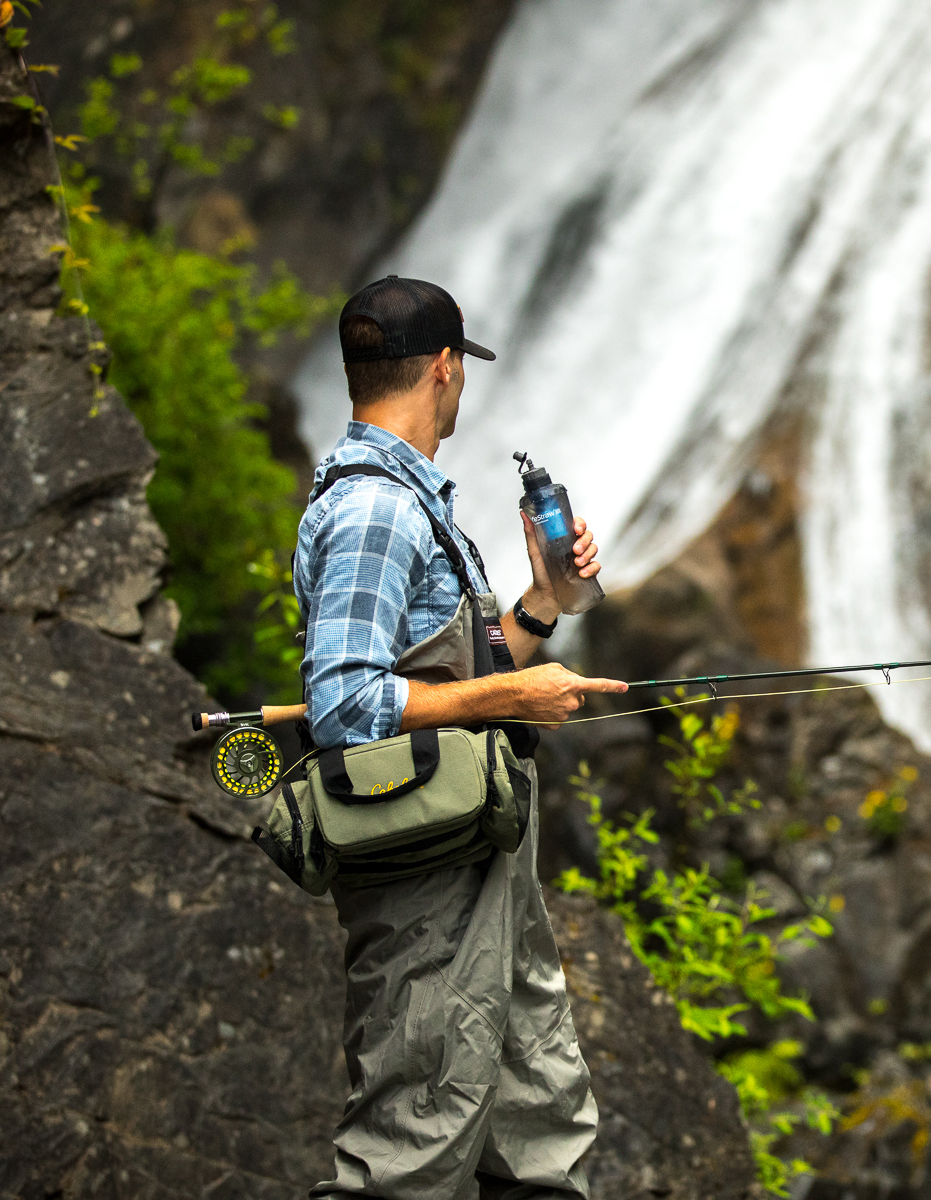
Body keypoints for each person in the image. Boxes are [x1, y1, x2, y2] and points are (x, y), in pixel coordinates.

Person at [295, 275, 628, 1199]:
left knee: (539, 1126)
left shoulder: (411, 502)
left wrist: (541, 607)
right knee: (411, 1140)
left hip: (480, 864)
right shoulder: (374, 511)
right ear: (444, 369)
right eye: (459, 370)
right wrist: (511, 696)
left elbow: (450, 678)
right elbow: (345, 702)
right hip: (423, 878)